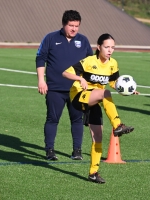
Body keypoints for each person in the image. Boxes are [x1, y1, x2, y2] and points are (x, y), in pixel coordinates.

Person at [62, 33, 136, 183]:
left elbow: (114, 82)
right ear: (99, 47)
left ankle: (93, 173)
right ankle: (118, 125)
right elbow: (65, 73)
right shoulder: (89, 61)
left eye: (113, 47)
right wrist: (80, 78)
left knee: (98, 138)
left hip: (95, 99)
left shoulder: (113, 63)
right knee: (105, 93)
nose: (110, 50)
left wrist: (127, 89)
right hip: (79, 95)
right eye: (107, 47)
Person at [35, 10, 93, 161]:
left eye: (77, 26)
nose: (74, 29)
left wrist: (91, 87)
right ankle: (49, 150)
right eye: (71, 25)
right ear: (63, 24)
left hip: (77, 90)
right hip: (55, 89)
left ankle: (77, 151)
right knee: (52, 119)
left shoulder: (83, 40)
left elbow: (90, 65)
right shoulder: (51, 38)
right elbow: (40, 58)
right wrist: (41, 80)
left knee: (77, 120)